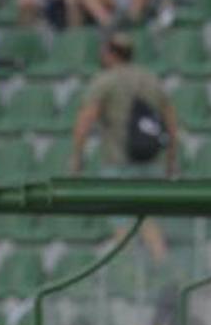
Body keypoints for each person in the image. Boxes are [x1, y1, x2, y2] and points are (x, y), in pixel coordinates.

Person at [71, 33, 178, 262]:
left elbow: (84, 122)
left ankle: (129, 275)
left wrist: (76, 158)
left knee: (121, 222)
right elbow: (171, 123)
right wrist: (170, 160)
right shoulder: (151, 79)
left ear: (111, 54)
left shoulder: (105, 81)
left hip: (118, 163)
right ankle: (162, 266)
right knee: (149, 219)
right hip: (150, 161)